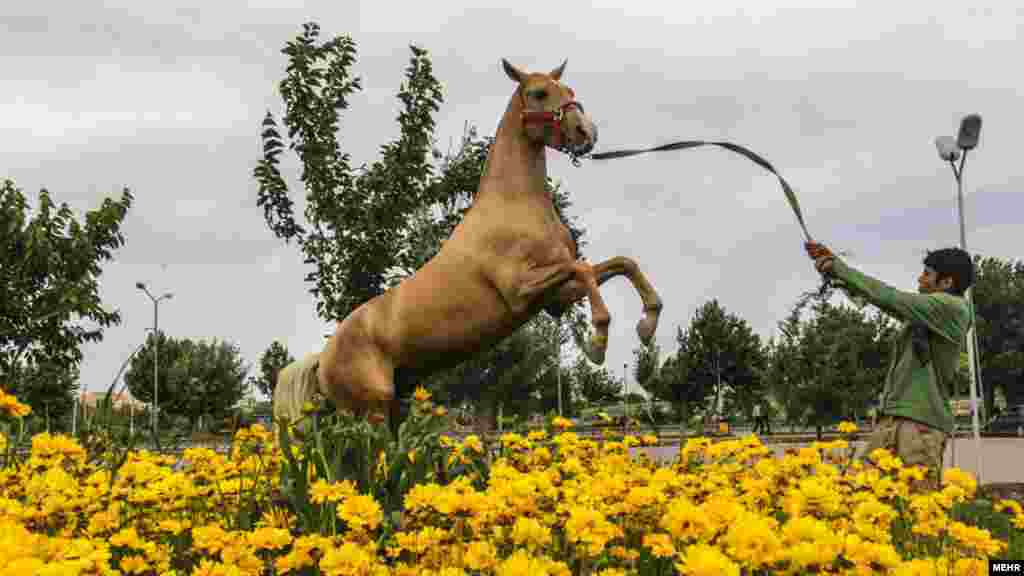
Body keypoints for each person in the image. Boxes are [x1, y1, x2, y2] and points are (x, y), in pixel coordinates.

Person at [805, 242, 974, 490]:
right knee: (865, 498)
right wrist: (836, 272)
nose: (920, 278)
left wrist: (840, 269)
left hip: (920, 425)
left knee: (918, 512)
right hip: (894, 419)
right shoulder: (926, 315)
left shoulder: (953, 309)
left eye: (927, 274)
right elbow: (883, 301)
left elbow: (891, 297)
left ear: (947, 283)